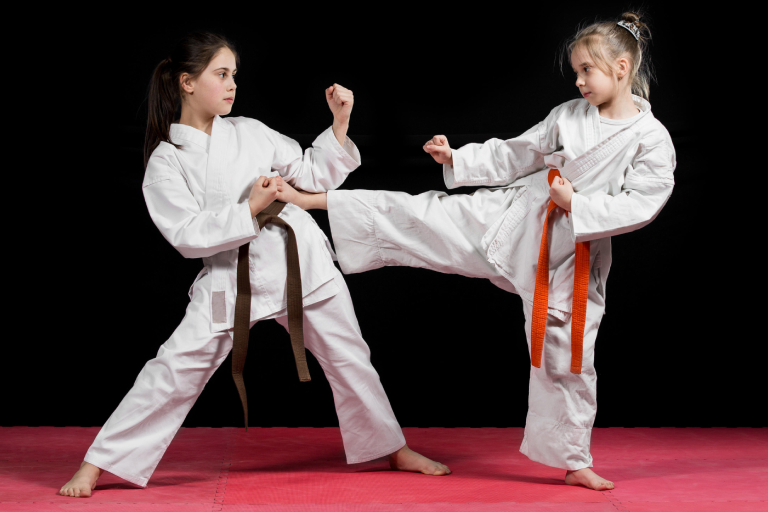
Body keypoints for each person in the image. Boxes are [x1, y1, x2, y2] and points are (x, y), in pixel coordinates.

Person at [279, 12, 675, 491]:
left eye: (586, 70)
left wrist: (580, 205)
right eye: (575, 71)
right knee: (424, 214)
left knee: (567, 357)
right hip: (511, 219)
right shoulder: (568, 115)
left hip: (572, 252)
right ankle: (315, 199)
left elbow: (645, 202)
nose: (578, 80)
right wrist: (459, 158)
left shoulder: (651, 138)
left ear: (621, 67)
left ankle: (574, 461)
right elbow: (517, 153)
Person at [60, 31, 450, 498]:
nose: (232, 85)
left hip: (300, 262)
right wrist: (249, 210)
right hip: (231, 278)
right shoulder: (168, 160)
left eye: (234, 76)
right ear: (186, 83)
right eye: (221, 75)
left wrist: (339, 124)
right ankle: (98, 463)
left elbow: (308, 171)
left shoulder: (250, 130)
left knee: (352, 360)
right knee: (172, 370)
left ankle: (393, 448)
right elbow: (185, 235)